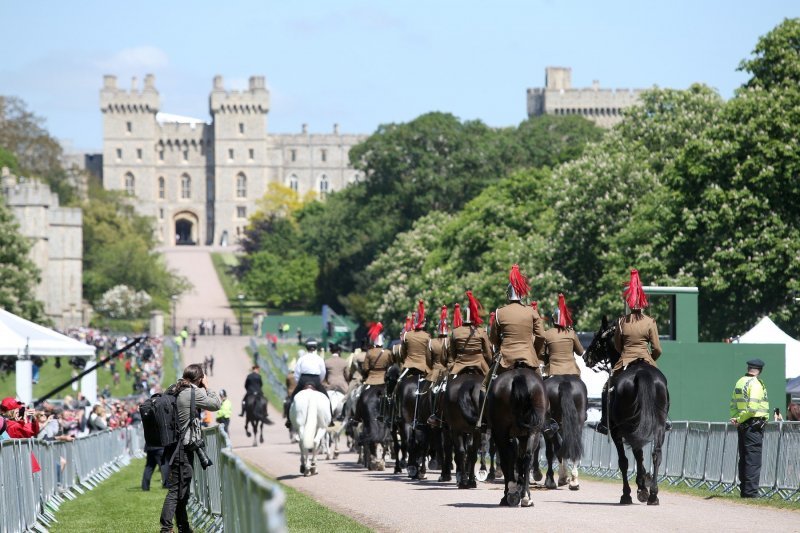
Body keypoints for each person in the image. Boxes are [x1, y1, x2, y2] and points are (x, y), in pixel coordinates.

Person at [596, 269, 663, 435]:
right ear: (643, 302)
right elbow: (657, 349)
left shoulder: (621, 322)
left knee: (607, 389)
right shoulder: (650, 322)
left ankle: (605, 422)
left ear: (629, 303)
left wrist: (625, 354)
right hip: (646, 359)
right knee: (663, 386)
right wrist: (650, 359)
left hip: (625, 360)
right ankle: (663, 420)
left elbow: (618, 346)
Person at [160, 364, 221, 533]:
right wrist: (207, 386)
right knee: (176, 489)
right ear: (199, 378)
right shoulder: (191, 393)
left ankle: (183, 527)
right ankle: (166, 529)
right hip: (182, 448)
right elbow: (216, 404)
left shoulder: (174, 388)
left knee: (183, 490)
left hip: (174, 445)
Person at [487, 264, 546, 381]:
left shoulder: (500, 312)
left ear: (508, 295)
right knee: (542, 388)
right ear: (521, 295)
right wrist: (535, 351)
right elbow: (541, 335)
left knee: (485, 386)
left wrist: (501, 345)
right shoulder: (531, 311)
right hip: (528, 356)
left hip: (505, 359)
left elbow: (493, 338)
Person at [729, 358, 769, 498]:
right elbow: (753, 408)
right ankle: (751, 493)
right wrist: (740, 419)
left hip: (743, 425)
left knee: (744, 458)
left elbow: (733, 404)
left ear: (748, 368)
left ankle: (745, 491)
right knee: (753, 459)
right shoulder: (755, 384)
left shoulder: (740, 382)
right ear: (760, 370)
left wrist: (736, 419)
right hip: (754, 425)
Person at [286, 339, 332, 428]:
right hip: (316, 380)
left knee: (292, 399)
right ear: (315, 348)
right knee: (326, 398)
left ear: (306, 347)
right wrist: (319, 381)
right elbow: (323, 372)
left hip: (303, 379)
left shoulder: (301, 358)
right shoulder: (319, 358)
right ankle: (331, 420)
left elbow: (297, 372)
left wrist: (299, 382)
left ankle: (289, 420)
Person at [542, 293, 584, 377]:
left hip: (553, 371)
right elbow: (580, 352)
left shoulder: (547, 333)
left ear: (553, 321)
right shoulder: (571, 333)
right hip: (572, 370)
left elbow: (542, 354)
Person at [426, 306, 451, 427]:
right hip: (450, 372)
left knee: (429, 392)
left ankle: (432, 415)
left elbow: (428, 360)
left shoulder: (432, 342)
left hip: (435, 372)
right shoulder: (452, 341)